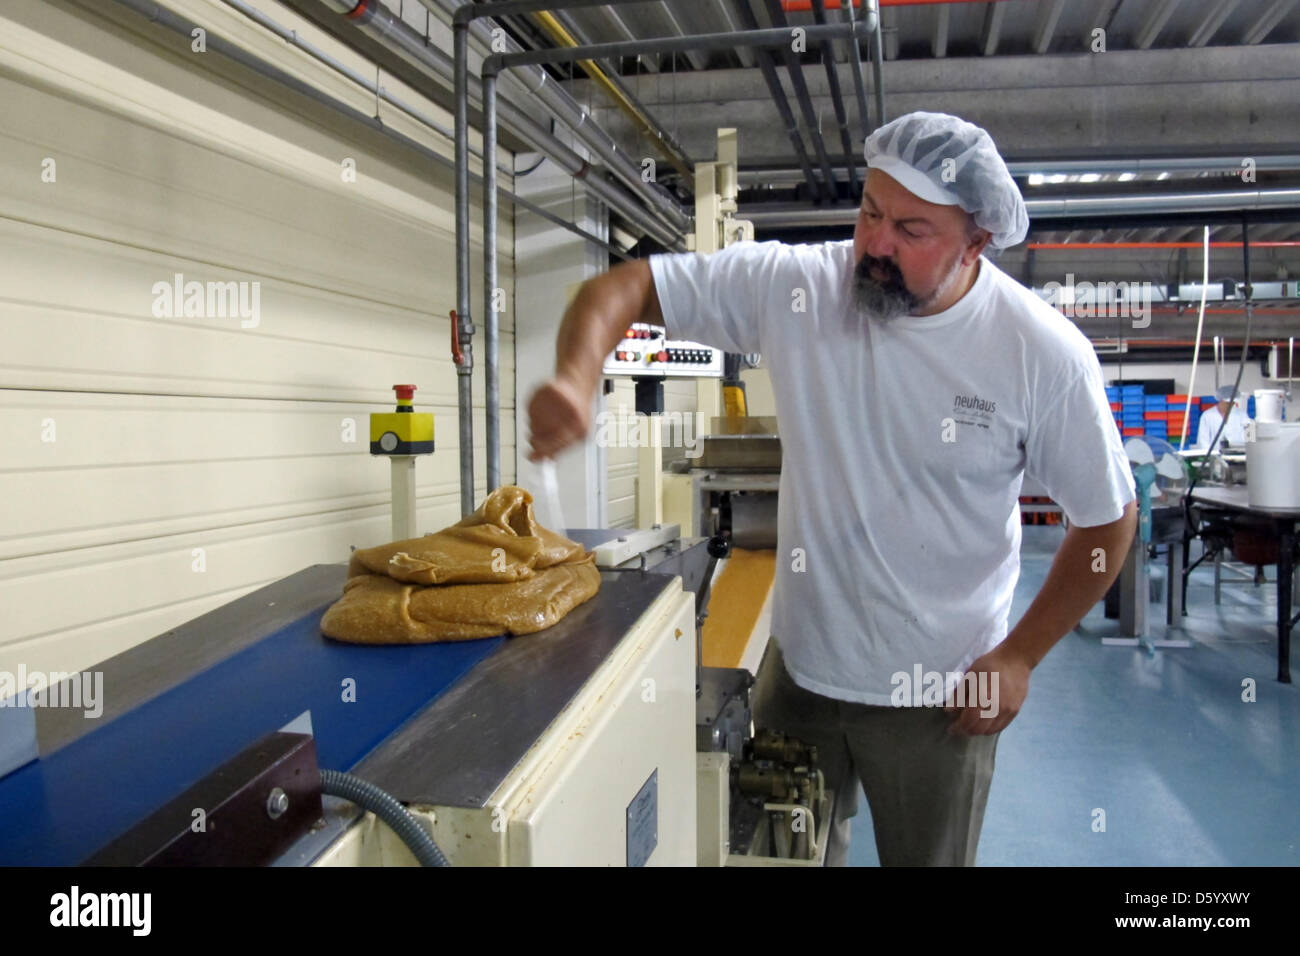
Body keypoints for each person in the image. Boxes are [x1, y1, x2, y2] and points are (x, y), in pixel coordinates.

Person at [526, 111, 1137, 866]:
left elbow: (1108, 523)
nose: (876, 244)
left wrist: (1018, 657)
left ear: (976, 241)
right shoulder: (801, 288)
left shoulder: (1040, 354)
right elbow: (623, 288)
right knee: (785, 853)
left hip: (941, 697)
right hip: (804, 674)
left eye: (913, 230)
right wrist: (577, 378)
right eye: (871, 213)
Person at [1196, 385, 1250, 452]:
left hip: (1239, 455)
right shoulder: (1207, 416)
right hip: (1215, 457)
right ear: (1220, 400)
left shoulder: (1243, 415)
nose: (1230, 405)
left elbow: (1250, 437)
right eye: (1227, 403)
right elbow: (1203, 441)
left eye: (1233, 403)